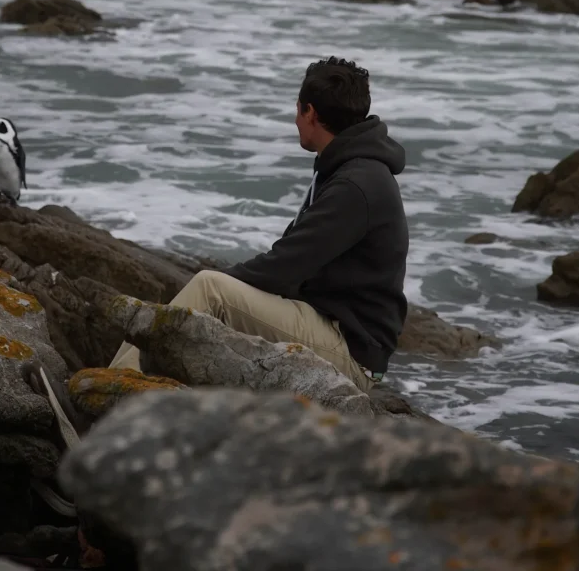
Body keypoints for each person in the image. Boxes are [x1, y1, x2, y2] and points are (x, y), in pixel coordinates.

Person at [110, 57, 409, 392]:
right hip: (330, 322)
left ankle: (117, 389)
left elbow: (283, 267)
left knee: (210, 288)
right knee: (215, 292)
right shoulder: (351, 168)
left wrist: (226, 283)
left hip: (350, 352)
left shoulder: (355, 184)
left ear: (309, 112)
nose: (295, 120)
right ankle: (142, 387)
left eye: (297, 109)